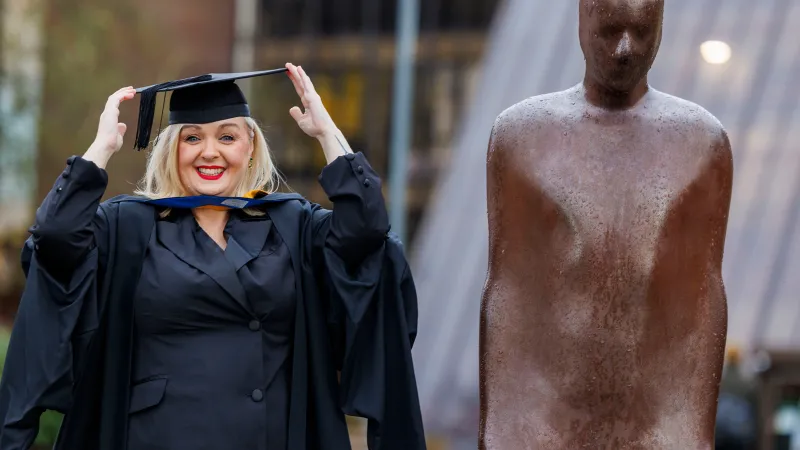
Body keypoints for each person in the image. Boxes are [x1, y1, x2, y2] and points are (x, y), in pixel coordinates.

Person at [0, 63, 426, 450]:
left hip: (270, 436)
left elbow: (367, 232)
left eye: (227, 136)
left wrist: (327, 133)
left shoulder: (293, 226)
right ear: (172, 149)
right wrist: (102, 149)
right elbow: (55, 238)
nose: (209, 152)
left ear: (250, 147)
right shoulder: (127, 228)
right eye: (192, 138)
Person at [479, 0, 734, 448]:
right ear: (583, 19)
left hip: (655, 431)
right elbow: (508, 296)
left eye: (641, 34)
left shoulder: (700, 143)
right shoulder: (522, 138)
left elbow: (701, 305)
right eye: (610, 31)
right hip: (546, 428)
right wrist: (500, 427)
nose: (624, 49)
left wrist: (693, 433)